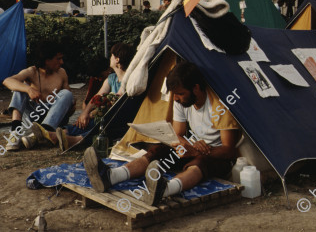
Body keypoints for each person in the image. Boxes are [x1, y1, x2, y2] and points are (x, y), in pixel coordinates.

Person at [84, 61, 241, 206]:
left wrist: (200, 150)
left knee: (199, 163)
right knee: (158, 150)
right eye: (175, 94)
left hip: (216, 156)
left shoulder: (218, 106)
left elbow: (230, 150)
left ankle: (165, 189)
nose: (177, 99)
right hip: (194, 147)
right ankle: (111, 176)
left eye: (180, 94)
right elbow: (178, 134)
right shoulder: (182, 101)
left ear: (196, 88)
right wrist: (187, 145)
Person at [36, 43, 135, 151]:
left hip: (119, 119)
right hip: (107, 115)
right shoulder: (111, 78)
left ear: (117, 59)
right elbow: (97, 97)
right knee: (88, 121)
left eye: (112, 55)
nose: (109, 58)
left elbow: (116, 101)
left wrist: (92, 114)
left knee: (98, 123)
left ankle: (73, 139)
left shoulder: (129, 79)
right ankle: (57, 135)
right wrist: (84, 114)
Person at [2, 41, 75, 151]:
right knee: (19, 88)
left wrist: (71, 105)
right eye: (58, 59)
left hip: (54, 119)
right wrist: (29, 89)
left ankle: (42, 133)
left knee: (67, 94)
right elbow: (7, 81)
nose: (61, 62)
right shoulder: (32, 72)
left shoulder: (62, 73)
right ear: (47, 60)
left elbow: (68, 102)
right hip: (35, 116)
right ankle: (15, 133)